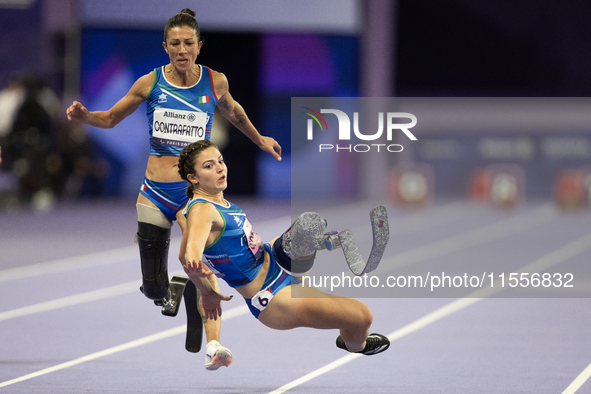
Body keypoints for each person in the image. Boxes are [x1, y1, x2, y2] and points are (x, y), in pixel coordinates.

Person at [66, 8, 281, 368]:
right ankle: (175, 293)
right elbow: (111, 118)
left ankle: (214, 345)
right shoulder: (149, 83)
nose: (182, 50)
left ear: (199, 46)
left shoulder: (215, 82)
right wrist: (85, 117)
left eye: (189, 43)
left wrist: (260, 140)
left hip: (192, 197)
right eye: (175, 43)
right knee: (153, 288)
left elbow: (235, 113)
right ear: (165, 46)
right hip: (153, 192)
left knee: (204, 271)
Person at [177, 139, 391, 357]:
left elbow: (235, 247)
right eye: (208, 166)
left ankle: (321, 242)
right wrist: (206, 291)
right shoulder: (202, 209)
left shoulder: (219, 203)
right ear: (193, 178)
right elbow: (190, 256)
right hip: (273, 297)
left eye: (220, 161)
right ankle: (356, 345)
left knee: (309, 223)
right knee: (363, 317)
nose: (220, 168)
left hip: (275, 260)